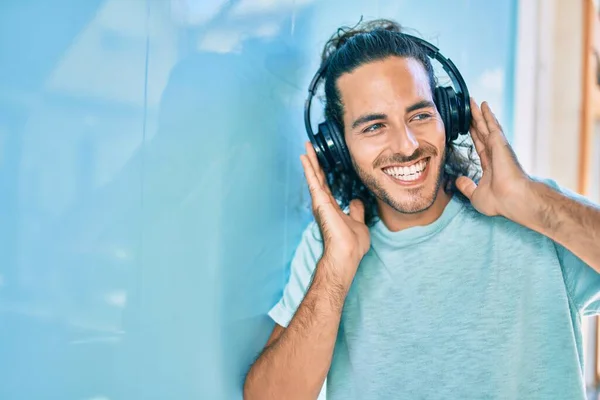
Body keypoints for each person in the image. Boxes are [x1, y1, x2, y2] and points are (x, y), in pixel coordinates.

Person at [243, 19, 600, 399]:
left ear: (448, 115)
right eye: (373, 127)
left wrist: (531, 202)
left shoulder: (536, 213)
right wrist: (336, 267)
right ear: (339, 147)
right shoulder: (330, 246)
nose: (408, 144)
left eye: (420, 115)